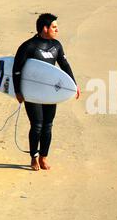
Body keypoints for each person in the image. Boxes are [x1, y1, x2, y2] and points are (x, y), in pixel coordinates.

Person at [13, 13, 80, 171]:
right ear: (45, 28)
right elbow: (16, 70)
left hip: (50, 92)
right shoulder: (28, 46)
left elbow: (64, 65)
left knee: (48, 125)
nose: (57, 30)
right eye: (54, 27)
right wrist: (18, 91)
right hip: (33, 93)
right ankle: (33, 158)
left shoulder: (57, 45)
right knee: (36, 125)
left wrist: (74, 85)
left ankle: (44, 157)